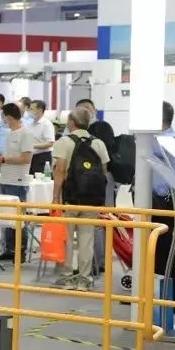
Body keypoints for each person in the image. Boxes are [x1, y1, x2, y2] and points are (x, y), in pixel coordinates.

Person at [51, 106, 109, 290]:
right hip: (92, 199)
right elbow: (103, 172)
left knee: (67, 239)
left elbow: (60, 170)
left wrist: (55, 197)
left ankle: (68, 277)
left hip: (71, 197)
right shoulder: (98, 143)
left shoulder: (64, 142)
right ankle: (85, 279)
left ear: (71, 123)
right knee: (87, 240)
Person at [0, 103, 34, 261]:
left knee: (19, 218)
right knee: (6, 217)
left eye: (3, 116)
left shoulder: (26, 133)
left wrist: (3, 159)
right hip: (5, 179)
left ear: (8, 117)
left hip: (18, 181)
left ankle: (20, 250)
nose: (2, 119)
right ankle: (9, 248)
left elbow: (26, 158)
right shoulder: (8, 133)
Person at [150, 101, 175, 305]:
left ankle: (169, 302)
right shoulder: (164, 139)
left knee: (163, 252)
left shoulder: (166, 141)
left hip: (162, 204)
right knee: (159, 252)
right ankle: (163, 300)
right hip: (158, 203)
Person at [87, 120, 119, 275]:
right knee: (107, 223)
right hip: (111, 185)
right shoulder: (113, 148)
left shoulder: (96, 147)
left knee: (98, 225)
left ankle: (96, 263)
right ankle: (104, 260)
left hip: (100, 184)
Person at [28, 100, 56, 175]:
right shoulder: (31, 124)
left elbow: (50, 143)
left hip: (42, 157)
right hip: (31, 157)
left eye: (31, 109)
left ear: (40, 110)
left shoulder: (46, 124)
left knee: (39, 179)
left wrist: (32, 145)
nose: (29, 111)